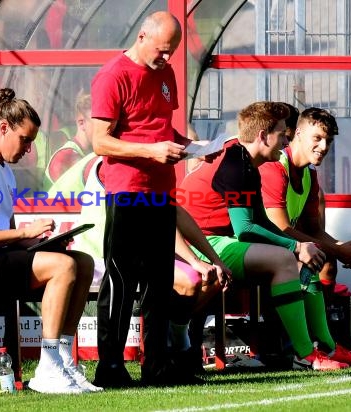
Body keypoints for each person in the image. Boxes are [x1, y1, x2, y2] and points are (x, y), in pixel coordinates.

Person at [179, 101, 351, 370]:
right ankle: (304, 355)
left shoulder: (249, 163)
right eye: (283, 134)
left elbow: (259, 222)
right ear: (262, 136)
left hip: (217, 240)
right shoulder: (237, 163)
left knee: (304, 256)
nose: (286, 140)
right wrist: (296, 247)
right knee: (284, 259)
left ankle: (326, 346)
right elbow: (245, 229)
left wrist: (302, 246)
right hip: (199, 244)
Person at [0, 88, 101, 394]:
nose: (28, 149)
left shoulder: (4, 172)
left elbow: (7, 238)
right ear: (3, 128)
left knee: (82, 262)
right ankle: (48, 368)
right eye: (25, 140)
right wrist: (25, 233)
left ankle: (63, 359)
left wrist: (42, 243)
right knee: (62, 268)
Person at [89, 11, 220, 387]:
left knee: (160, 282)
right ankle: (110, 367)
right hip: (127, 190)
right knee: (120, 279)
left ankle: (157, 365)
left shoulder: (165, 74)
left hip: (161, 190)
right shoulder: (112, 76)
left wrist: (194, 148)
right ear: (142, 35)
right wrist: (151, 152)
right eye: (162, 51)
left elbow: (162, 129)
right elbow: (100, 141)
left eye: (172, 52)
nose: (166, 58)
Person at [71, 156, 230, 380]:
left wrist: (215, 260)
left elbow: (172, 214)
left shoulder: (156, 171)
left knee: (206, 278)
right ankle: (170, 352)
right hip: (99, 256)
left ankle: (170, 353)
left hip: (143, 252)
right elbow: (159, 218)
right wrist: (195, 261)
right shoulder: (122, 168)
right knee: (190, 279)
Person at [262, 106, 351, 300]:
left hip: (281, 245)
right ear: (298, 133)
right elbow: (281, 229)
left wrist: (344, 248)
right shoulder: (275, 167)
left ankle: (317, 326)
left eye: (329, 140)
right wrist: (337, 250)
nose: (325, 147)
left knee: (327, 261)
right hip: (259, 244)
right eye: (317, 138)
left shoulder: (310, 175)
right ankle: (292, 327)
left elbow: (313, 229)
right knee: (314, 260)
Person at [44, 91, 93, 189]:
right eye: (99, 121)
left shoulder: (89, 153)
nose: (106, 126)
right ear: (81, 123)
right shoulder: (65, 157)